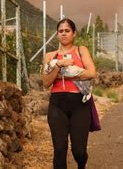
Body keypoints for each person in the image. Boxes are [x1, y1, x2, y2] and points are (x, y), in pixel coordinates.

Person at [42, 18, 97, 169]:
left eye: (67, 31)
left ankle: (81, 165)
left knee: (79, 151)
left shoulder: (81, 50)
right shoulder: (50, 56)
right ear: (57, 34)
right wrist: (59, 65)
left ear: (74, 34)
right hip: (57, 104)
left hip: (79, 104)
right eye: (60, 31)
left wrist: (66, 75)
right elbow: (46, 82)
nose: (64, 34)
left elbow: (92, 73)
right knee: (59, 149)